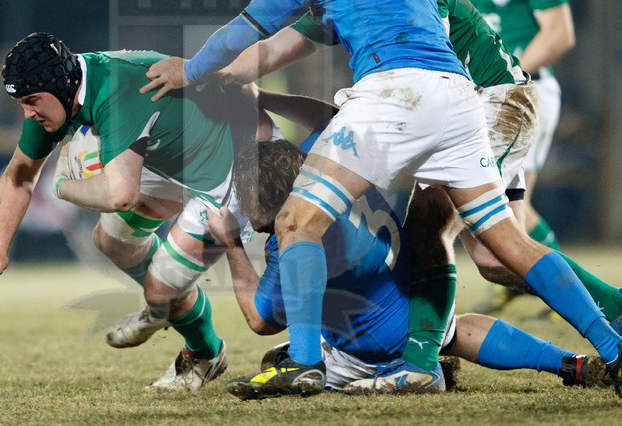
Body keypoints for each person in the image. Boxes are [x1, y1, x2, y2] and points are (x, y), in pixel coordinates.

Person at [140, 0, 622, 398]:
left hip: (461, 94)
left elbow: (250, 34)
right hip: (457, 94)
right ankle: (611, 346)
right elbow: (269, 62)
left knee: (301, 222)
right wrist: (242, 86)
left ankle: (335, 363)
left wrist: (190, 70)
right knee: (499, 247)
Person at [205, 112, 607, 397]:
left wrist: (231, 244)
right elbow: (327, 117)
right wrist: (269, 98)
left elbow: (260, 320)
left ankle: (394, 369)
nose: (241, 204)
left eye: (246, 196)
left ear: (265, 198)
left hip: (365, 346)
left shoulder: (293, 240)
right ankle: (568, 362)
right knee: (451, 328)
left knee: (274, 360)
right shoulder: (334, 169)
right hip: (413, 295)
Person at [0, 32, 276, 391]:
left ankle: (201, 350)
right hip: (178, 158)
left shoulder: (113, 91)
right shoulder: (61, 89)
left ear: (63, 85)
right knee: (112, 241)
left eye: (32, 100)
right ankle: (166, 300)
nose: (27, 112)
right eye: (21, 102)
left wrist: (62, 186)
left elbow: (121, 195)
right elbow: (18, 175)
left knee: (161, 291)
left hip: (232, 167)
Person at [463, 0, 576, 314]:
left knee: (502, 203)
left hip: (529, 94)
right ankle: (547, 281)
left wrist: (509, 73)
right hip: (495, 97)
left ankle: (568, 289)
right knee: (506, 206)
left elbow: (561, 34)